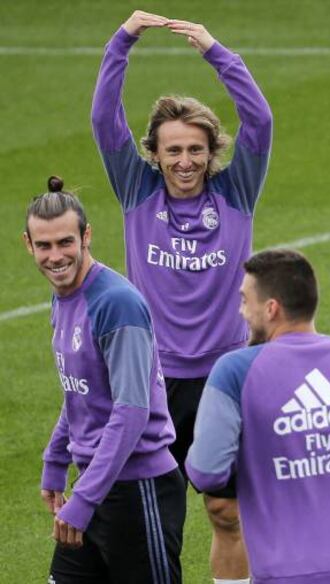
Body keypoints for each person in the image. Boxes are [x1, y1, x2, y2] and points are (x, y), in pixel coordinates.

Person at [91, 10, 273, 583]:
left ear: (210, 150)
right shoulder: (136, 191)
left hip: (223, 378)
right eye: (172, 151)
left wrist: (217, 51)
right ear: (155, 154)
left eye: (195, 149)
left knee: (225, 509)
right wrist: (121, 42)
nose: (185, 162)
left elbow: (260, 120)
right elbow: (104, 119)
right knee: (151, 518)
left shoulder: (236, 192)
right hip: (151, 382)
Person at [186, 248, 330, 584]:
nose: (241, 311)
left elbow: (207, 471)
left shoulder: (234, 371)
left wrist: (262, 472)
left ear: (271, 308)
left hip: (282, 574)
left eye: (245, 300)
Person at [24, 176, 186, 584]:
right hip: (96, 483)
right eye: (44, 245)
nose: (55, 256)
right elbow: (81, 391)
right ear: (29, 244)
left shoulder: (116, 303)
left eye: (65, 242)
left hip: (137, 489)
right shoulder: (64, 297)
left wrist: (84, 498)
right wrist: (55, 459)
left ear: (86, 236)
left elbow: (131, 410)